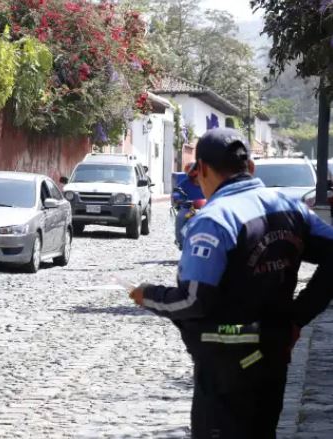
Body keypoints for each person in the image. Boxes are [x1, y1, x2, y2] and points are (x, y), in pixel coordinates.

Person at [128, 127, 333, 438]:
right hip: (273, 352)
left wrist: (148, 295)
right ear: (249, 167)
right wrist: (298, 315)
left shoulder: (215, 219)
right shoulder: (289, 207)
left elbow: (195, 300)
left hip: (226, 364)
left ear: (203, 169)